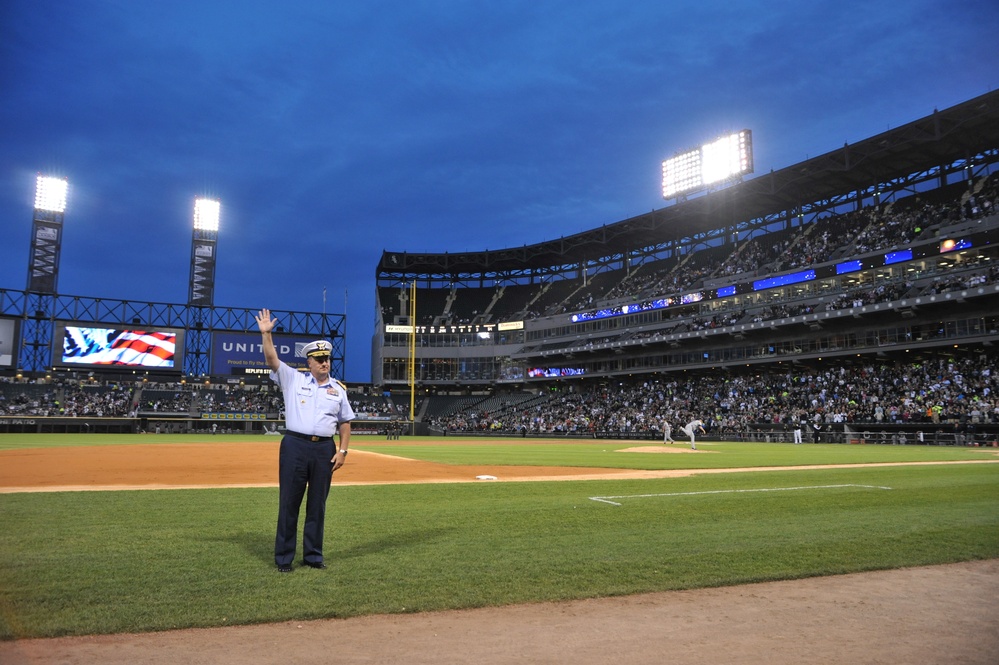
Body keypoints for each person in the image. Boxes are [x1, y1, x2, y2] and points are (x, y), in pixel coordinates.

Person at [256, 308, 356, 573]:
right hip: (295, 446)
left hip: (325, 448)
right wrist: (267, 335)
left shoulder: (338, 390)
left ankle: (313, 556)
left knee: (317, 506)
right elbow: (272, 359)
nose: (324, 363)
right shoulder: (293, 379)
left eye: (327, 358)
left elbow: (345, 422)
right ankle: (284, 559)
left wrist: (343, 451)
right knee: (289, 502)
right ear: (309, 362)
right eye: (319, 359)